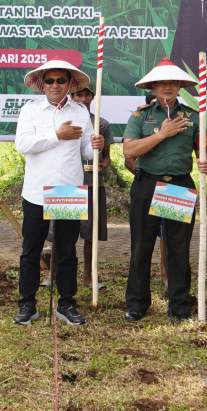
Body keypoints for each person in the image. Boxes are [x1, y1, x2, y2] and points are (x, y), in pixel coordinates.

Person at [14, 61, 104, 326]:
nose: (55, 85)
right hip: (36, 190)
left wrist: (94, 145)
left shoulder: (80, 112)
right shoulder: (30, 110)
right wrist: (57, 134)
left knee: (66, 250)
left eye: (61, 81)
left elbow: (86, 153)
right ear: (42, 84)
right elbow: (23, 145)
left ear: (69, 84)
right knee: (30, 249)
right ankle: (27, 303)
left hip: (68, 188)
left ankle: (66, 303)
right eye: (50, 81)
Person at [122, 58, 207, 323]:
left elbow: (204, 150)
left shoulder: (194, 117)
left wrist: (206, 159)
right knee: (142, 246)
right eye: (162, 83)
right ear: (155, 87)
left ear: (180, 86)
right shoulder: (141, 116)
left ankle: (180, 306)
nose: (167, 87)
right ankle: (137, 304)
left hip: (179, 184)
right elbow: (129, 151)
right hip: (148, 183)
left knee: (178, 248)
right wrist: (162, 134)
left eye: (172, 82)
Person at [70, 84, 114, 288]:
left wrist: (101, 167)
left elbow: (107, 158)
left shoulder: (101, 123)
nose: (84, 98)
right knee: (59, 232)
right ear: (72, 96)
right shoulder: (65, 120)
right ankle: (54, 276)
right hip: (66, 184)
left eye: (88, 94)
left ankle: (88, 276)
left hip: (92, 184)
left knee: (90, 233)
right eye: (79, 94)